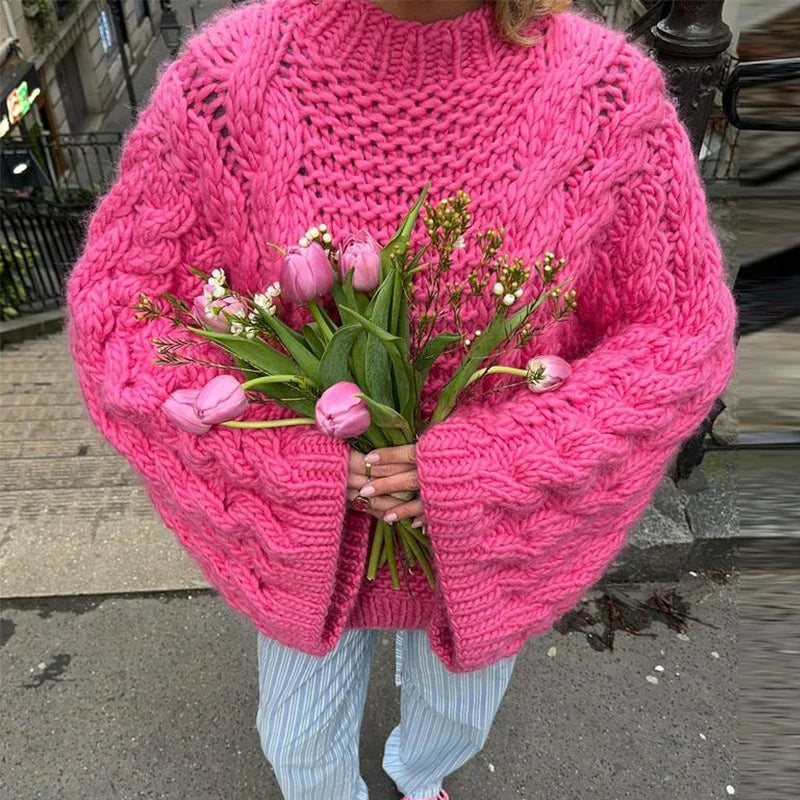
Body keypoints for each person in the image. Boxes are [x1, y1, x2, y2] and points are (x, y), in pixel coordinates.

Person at [63, 0, 738, 798]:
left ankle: (418, 779)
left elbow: (679, 330)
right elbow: (123, 307)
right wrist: (287, 460)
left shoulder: (606, 94)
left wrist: (492, 467)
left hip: (490, 537)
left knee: (456, 720)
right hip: (307, 536)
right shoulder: (228, 82)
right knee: (298, 740)